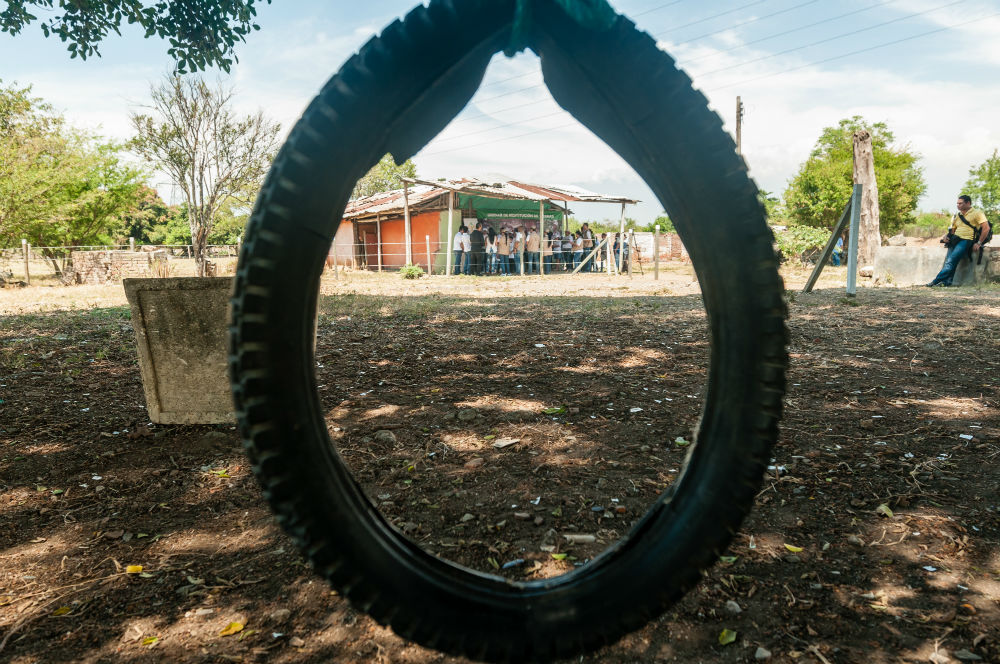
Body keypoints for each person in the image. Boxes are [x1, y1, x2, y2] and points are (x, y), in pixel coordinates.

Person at [927, 195, 990, 287]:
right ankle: (947, 282)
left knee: (950, 262)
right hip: (954, 240)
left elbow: (986, 228)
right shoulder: (957, 215)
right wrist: (945, 237)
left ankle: (935, 281)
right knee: (950, 261)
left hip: (966, 240)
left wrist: (979, 243)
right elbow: (952, 230)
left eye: (960, 203)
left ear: (968, 203)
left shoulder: (977, 213)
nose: (958, 205)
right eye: (957, 203)